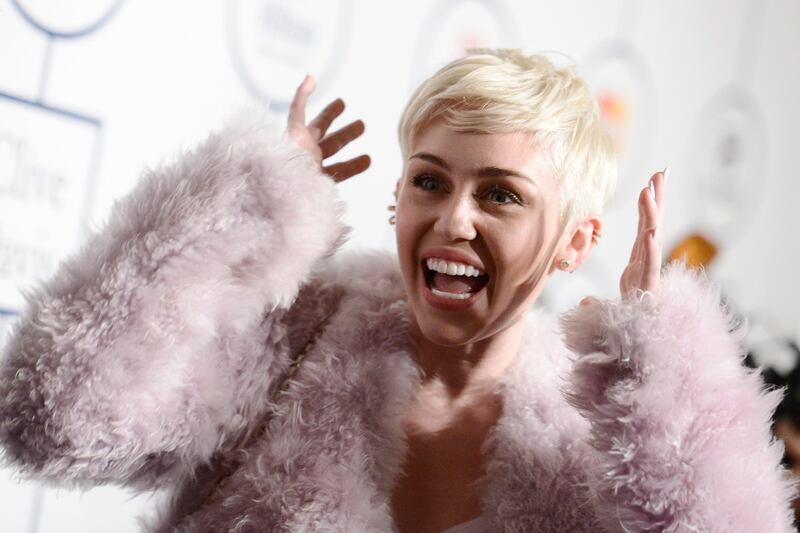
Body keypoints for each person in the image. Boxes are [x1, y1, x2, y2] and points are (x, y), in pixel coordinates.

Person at [0, 49, 794, 532]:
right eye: (430, 180)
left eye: (501, 194)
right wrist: (244, 208)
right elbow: (54, 417)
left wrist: (662, 373)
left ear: (576, 242)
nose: (454, 219)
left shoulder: (591, 451)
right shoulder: (298, 335)